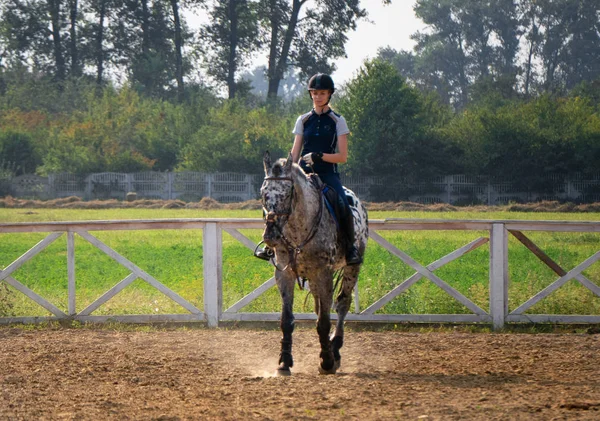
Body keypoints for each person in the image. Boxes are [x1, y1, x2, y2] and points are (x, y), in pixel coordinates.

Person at [256, 73, 362, 266]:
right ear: (310, 95)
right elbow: (295, 153)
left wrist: (319, 156)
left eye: (322, 93)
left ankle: (350, 248)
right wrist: (287, 169)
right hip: (302, 174)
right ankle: (270, 244)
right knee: (275, 200)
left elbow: (343, 156)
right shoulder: (303, 120)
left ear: (329, 94)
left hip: (327, 173)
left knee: (343, 204)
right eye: (314, 93)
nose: (318, 96)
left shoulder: (338, 121)